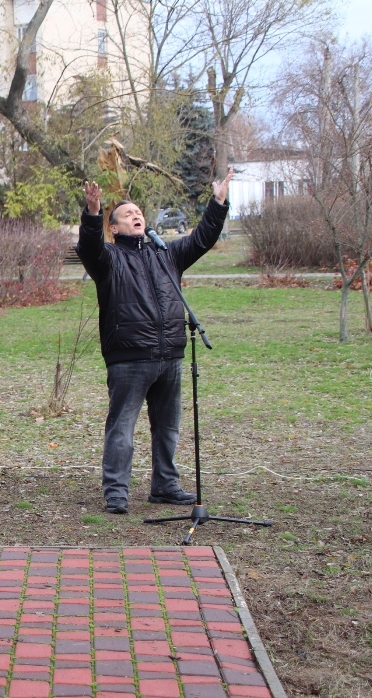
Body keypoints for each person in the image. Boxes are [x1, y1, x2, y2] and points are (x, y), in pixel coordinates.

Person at [76, 170, 233, 514]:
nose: (136, 216)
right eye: (127, 214)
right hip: (129, 359)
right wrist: (92, 213)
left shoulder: (167, 255)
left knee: (168, 428)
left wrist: (218, 202)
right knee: (122, 429)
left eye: (138, 213)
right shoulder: (109, 259)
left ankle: (165, 485)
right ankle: (116, 492)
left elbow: (203, 238)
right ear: (114, 228)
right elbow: (88, 246)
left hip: (170, 356)